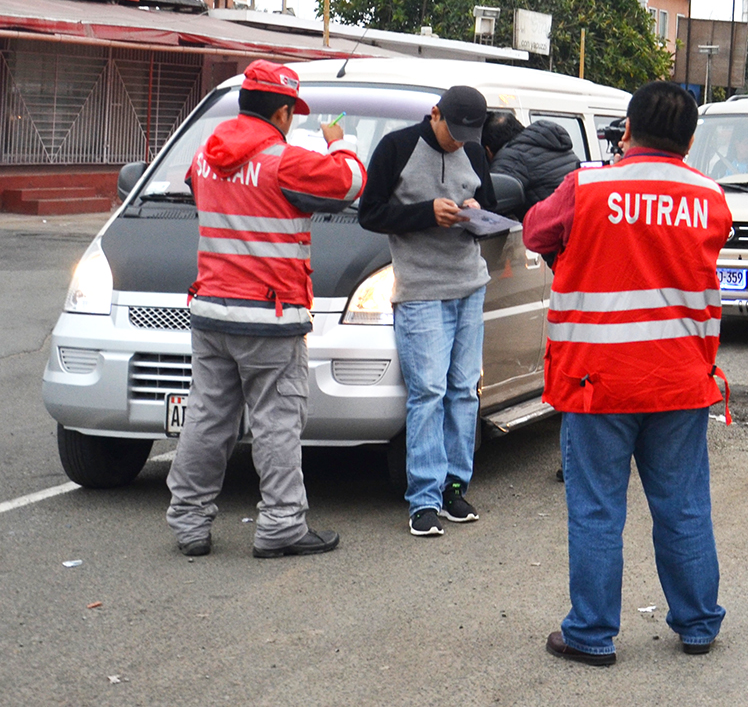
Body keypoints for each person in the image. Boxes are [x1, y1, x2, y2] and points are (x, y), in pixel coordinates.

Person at [524, 81, 733, 665]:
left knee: (596, 510)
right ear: (690, 138)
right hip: (678, 379)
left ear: (627, 128)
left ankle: (591, 634)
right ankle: (697, 624)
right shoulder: (709, 195)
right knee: (684, 505)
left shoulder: (587, 186)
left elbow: (536, 232)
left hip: (598, 381)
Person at [166, 60, 365, 559]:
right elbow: (347, 184)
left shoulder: (205, 157)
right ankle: (280, 525)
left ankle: (188, 523)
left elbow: (201, 191)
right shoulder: (284, 160)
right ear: (280, 112)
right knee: (277, 422)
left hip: (211, 309)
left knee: (207, 419)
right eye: (290, 114)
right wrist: (340, 141)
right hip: (270, 317)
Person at [359, 86, 499, 537]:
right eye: (453, 131)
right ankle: (423, 500)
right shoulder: (397, 147)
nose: (459, 142)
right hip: (419, 290)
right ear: (434, 114)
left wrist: (478, 212)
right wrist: (424, 214)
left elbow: (493, 207)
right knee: (429, 392)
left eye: (467, 135)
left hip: (469, 285)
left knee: (463, 390)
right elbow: (370, 213)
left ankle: (455, 488)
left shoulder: (475, 151)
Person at [491, 118, 582, 215]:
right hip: (581, 217)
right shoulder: (553, 143)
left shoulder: (509, 157)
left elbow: (493, 203)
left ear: (488, 150)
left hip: (554, 224)